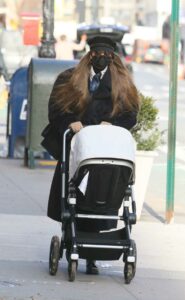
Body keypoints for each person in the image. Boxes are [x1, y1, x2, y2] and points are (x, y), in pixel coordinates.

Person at [41, 36, 140, 275]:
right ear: (90, 55)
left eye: (106, 54)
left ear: (112, 57)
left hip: (104, 150)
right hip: (78, 147)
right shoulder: (70, 78)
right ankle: (72, 238)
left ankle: (92, 255)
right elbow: (56, 109)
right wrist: (71, 122)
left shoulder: (122, 82)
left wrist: (112, 124)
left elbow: (130, 114)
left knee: (100, 196)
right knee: (74, 193)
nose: (101, 58)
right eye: (96, 54)